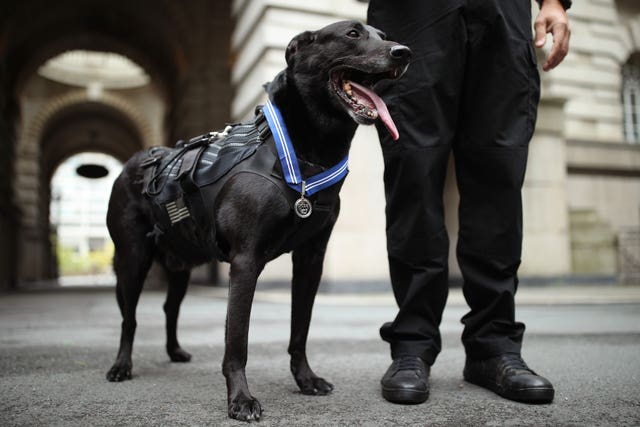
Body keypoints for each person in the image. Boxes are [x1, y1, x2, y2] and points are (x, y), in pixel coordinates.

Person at [367, 0, 571, 404]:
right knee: (414, 176)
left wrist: (553, 3)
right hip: (414, 15)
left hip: (501, 12)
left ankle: (493, 347)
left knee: (498, 177)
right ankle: (412, 345)